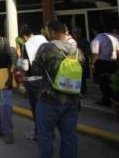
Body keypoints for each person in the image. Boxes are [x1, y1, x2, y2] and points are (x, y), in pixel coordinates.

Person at [32, 20, 84, 158]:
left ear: (53, 32)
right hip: (72, 100)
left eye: (47, 31)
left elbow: (35, 69)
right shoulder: (77, 51)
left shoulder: (47, 48)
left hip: (49, 100)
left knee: (45, 135)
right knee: (69, 136)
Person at [18, 24, 47, 141]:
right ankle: (47, 131)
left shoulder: (26, 45)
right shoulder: (43, 39)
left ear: (24, 36)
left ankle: (38, 132)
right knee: (45, 107)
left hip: (33, 80)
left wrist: (22, 77)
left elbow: (25, 66)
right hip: (46, 79)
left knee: (36, 108)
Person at [91, 29, 119, 107]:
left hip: (102, 63)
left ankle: (106, 101)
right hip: (112, 63)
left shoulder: (98, 38)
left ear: (95, 31)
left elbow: (95, 53)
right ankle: (113, 99)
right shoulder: (114, 38)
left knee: (103, 82)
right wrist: (118, 64)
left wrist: (92, 64)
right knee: (112, 82)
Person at [72, 27, 91, 97]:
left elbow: (88, 52)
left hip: (81, 62)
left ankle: (82, 91)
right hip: (72, 62)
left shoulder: (84, 41)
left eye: (78, 33)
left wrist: (80, 53)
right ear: (73, 33)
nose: (76, 34)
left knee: (82, 77)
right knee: (74, 77)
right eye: (75, 33)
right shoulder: (71, 41)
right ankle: (76, 90)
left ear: (80, 34)